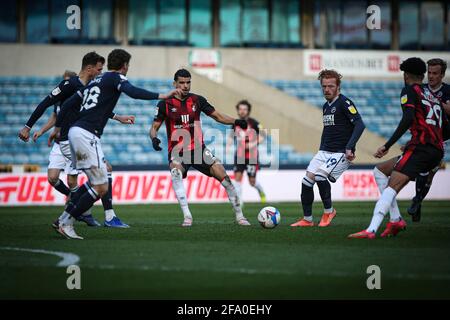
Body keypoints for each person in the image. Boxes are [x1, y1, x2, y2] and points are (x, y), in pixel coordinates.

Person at [49, 48, 179, 239]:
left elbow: (68, 103)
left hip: (75, 132)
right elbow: (133, 92)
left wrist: (58, 127)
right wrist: (163, 95)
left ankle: (64, 219)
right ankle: (66, 221)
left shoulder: (95, 81)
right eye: (128, 65)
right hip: (87, 134)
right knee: (101, 186)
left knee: (98, 182)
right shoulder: (116, 78)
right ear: (124, 65)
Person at [18, 53, 132, 227]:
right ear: (89, 68)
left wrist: (118, 117)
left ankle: (79, 213)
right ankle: (98, 215)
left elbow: (97, 109)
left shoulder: (90, 87)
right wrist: (28, 126)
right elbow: (45, 103)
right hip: (68, 141)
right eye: (99, 69)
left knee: (76, 180)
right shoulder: (69, 84)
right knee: (99, 174)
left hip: (72, 139)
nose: (101, 73)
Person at [348, 57, 450, 239]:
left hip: (422, 148)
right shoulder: (434, 97)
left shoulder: (410, 90)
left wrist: (388, 145)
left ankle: (371, 230)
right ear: (423, 74)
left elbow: (408, 118)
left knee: (391, 187)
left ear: (406, 75)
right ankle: (395, 219)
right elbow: (445, 128)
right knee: (380, 171)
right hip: (435, 150)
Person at [149, 69, 251, 227]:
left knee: (223, 175)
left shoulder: (197, 100)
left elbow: (217, 116)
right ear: (174, 83)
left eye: (188, 82)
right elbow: (154, 127)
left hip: (199, 149)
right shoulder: (165, 104)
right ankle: (187, 216)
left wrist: (235, 122)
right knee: (176, 173)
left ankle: (240, 216)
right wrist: (154, 138)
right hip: (178, 151)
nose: (185, 86)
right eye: (181, 83)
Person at [291, 69, 365, 227]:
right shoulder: (326, 106)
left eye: (331, 86)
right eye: (324, 86)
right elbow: (328, 129)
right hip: (324, 151)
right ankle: (307, 219)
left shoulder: (345, 103)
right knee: (306, 181)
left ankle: (329, 211)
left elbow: (359, 124)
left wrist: (350, 147)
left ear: (338, 87)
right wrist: (321, 149)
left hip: (340, 152)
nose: (327, 89)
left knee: (319, 177)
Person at [406, 58, 450, 221]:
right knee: (422, 172)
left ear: (442, 75)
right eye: (429, 73)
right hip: (422, 136)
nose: (431, 76)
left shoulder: (447, 91)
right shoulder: (421, 89)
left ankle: (417, 200)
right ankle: (417, 200)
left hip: (441, 137)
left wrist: (436, 103)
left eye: (435, 73)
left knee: (430, 173)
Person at [228, 100, 266, 206]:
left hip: (252, 156)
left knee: (252, 182)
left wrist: (253, 144)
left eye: (244, 109)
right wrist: (228, 145)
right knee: (237, 179)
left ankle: (261, 191)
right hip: (239, 155)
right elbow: (231, 137)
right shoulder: (235, 123)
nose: (242, 111)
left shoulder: (254, 123)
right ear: (238, 111)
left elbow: (263, 136)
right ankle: (239, 202)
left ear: (248, 111)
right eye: (240, 109)